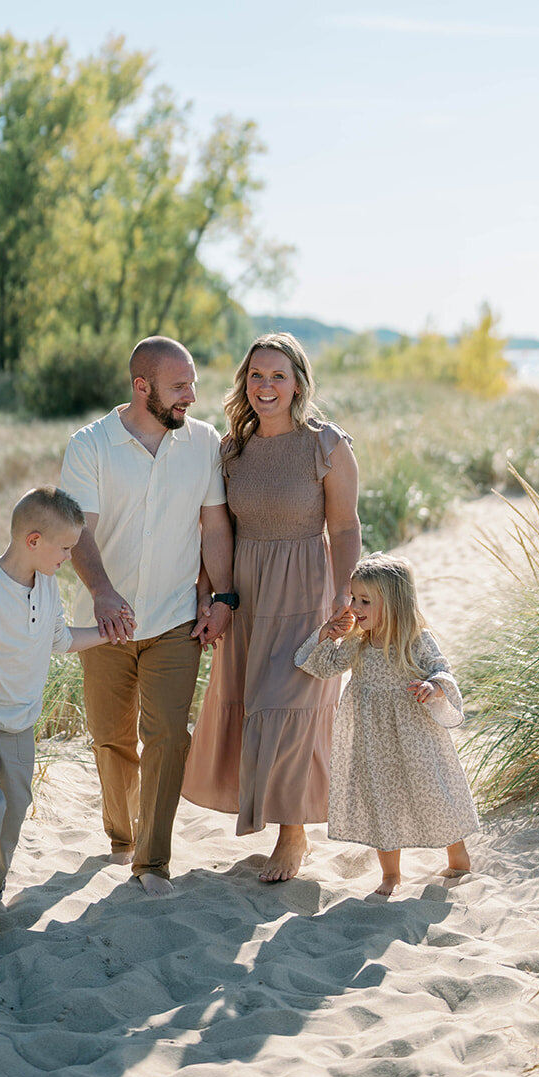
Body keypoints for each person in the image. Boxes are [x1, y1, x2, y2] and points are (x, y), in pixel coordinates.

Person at [182, 332, 361, 883]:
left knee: (291, 707)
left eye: (278, 376)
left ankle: (293, 833)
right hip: (247, 595)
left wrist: (344, 590)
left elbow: (346, 524)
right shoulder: (232, 451)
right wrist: (212, 596)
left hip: (307, 589)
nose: (266, 386)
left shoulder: (326, 445)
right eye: (256, 375)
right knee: (254, 702)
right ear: (244, 383)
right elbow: (219, 530)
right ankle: (279, 819)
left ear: (299, 384)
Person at [60, 335, 235, 897]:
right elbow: (77, 529)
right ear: (142, 387)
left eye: (192, 386)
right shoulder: (90, 445)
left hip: (175, 621)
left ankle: (152, 861)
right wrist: (104, 593)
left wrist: (221, 597)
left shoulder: (203, 442)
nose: (190, 397)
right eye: (179, 387)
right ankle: (120, 833)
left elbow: (214, 526)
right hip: (103, 624)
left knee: (167, 737)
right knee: (111, 737)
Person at [0, 486, 119, 930]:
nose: (70, 558)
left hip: (21, 723)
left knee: (14, 807)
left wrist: (107, 633)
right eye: (66, 548)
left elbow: (59, 641)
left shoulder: (49, 586)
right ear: (33, 541)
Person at [295, 553, 478, 896]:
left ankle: (458, 858)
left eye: (365, 600)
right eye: (353, 598)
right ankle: (391, 874)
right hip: (372, 737)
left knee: (432, 792)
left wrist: (432, 686)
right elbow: (324, 666)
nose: (355, 607)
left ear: (393, 603)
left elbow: (441, 669)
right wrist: (327, 634)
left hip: (415, 735)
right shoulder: (358, 642)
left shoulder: (416, 640)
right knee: (381, 799)